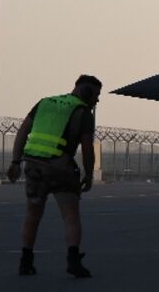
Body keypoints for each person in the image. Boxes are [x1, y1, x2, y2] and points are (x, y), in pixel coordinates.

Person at [7, 74, 101, 278]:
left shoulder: (44, 102)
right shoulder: (83, 112)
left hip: (34, 166)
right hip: (61, 168)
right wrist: (89, 174)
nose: (97, 101)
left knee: (32, 215)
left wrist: (15, 161)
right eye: (96, 96)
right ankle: (73, 261)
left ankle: (26, 262)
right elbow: (87, 149)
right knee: (71, 216)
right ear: (87, 93)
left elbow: (22, 132)